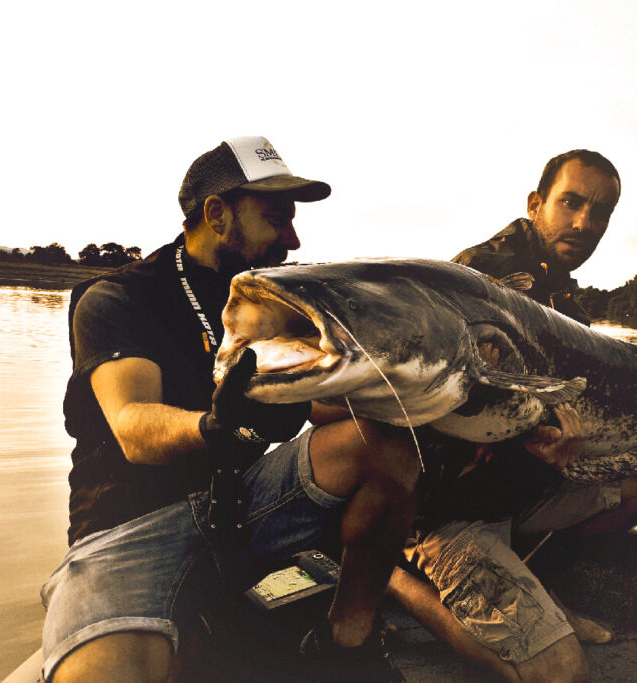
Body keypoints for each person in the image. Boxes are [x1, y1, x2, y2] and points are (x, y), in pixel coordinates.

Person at [39, 136, 420, 682]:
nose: (291, 240)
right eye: (275, 219)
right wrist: (216, 427)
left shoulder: (278, 302)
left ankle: (349, 636)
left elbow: (327, 410)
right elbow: (133, 428)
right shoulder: (118, 299)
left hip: (243, 506)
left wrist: (401, 396)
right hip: (130, 528)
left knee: (384, 446)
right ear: (217, 215)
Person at [389, 149, 637, 682]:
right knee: (564, 674)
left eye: (601, 212)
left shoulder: (562, 297)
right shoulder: (484, 279)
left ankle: (537, 577)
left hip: (508, 494)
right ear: (536, 204)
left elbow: (621, 424)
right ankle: (395, 578)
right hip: (442, 513)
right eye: (572, 202)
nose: (586, 223)